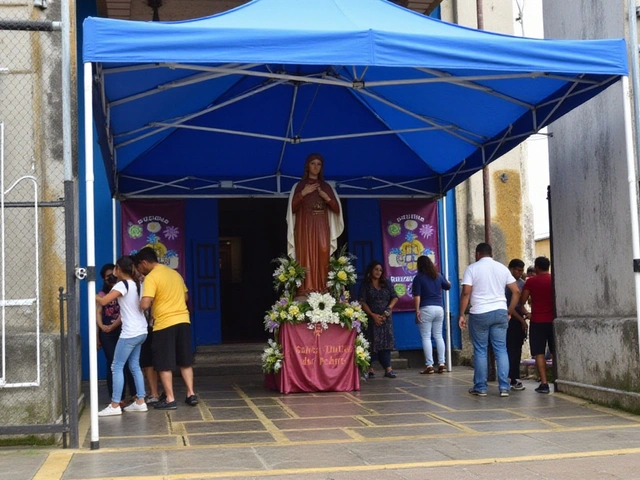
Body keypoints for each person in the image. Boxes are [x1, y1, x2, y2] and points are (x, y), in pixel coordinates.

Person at [134, 247, 198, 409]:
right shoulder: (175, 274)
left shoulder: (152, 277)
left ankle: (170, 399)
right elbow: (185, 297)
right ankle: (191, 394)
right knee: (185, 360)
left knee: (164, 362)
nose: (140, 271)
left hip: (164, 323)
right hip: (183, 320)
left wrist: (139, 304)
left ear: (144, 262)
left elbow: (145, 303)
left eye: (140, 267)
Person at [458, 243, 520, 397]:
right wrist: (509, 311)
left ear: (478, 254)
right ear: (491, 253)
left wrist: (461, 314)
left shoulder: (472, 268)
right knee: (501, 349)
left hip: (480, 313)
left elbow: (466, 293)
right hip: (500, 311)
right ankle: (504, 387)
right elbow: (516, 291)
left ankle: (480, 387)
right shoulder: (502, 268)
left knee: (480, 350)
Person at [96, 256, 149, 416]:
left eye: (115, 268)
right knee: (134, 366)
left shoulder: (122, 284)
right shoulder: (136, 283)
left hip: (130, 332)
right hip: (141, 330)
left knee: (116, 366)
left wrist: (92, 294)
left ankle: (114, 405)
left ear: (118, 269)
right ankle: (140, 401)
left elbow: (104, 301)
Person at [286, 153, 344, 295]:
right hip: (304, 226)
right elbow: (291, 209)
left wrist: (327, 198)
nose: (316, 167)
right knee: (305, 256)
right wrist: (303, 194)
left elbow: (337, 209)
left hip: (322, 226)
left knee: (323, 253)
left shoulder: (326, 186)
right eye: (313, 163)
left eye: (319, 164)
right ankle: (305, 289)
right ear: (307, 166)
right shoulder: (299, 186)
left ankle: (323, 288)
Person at [96, 264, 136, 405]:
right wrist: (101, 329)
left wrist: (113, 325)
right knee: (113, 363)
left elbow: (124, 313)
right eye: (108, 277)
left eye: (113, 275)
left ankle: (134, 394)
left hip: (122, 330)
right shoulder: (102, 293)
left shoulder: (122, 289)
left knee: (127, 363)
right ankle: (117, 398)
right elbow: (99, 312)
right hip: (107, 333)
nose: (111, 279)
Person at [358, 261, 399, 378]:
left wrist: (388, 310)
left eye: (380, 270)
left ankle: (388, 369)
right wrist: (372, 315)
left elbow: (395, 297)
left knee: (385, 343)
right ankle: (370, 368)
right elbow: (362, 301)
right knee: (371, 343)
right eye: (376, 269)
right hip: (371, 318)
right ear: (371, 270)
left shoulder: (386, 283)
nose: (378, 272)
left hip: (385, 318)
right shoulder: (365, 285)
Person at [412, 255, 451, 374]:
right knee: (438, 335)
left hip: (425, 309)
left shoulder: (418, 278)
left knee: (426, 336)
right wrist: (447, 279)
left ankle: (429, 365)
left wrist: (417, 311)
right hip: (439, 309)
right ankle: (442, 363)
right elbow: (448, 286)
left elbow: (417, 296)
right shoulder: (438, 276)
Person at [521, 256, 554, 394]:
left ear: (537, 267)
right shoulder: (554, 279)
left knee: (539, 353)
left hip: (537, 321)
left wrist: (528, 313)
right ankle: (559, 380)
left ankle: (544, 383)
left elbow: (522, 300)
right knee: (555, 351)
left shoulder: (531, 282)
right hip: (553, 320)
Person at [505, 259, 528, 391]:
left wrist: (526, 314)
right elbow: (510, 308)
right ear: (511, 269)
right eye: (518, 270)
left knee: (517, 350)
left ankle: (514, 376)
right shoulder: (507, 285)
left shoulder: (521, 283)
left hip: (518, 320)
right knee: (510, 350)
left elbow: (520, 305)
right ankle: (511, 377)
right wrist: (522, 320)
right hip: (510, 320)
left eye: (521, 271)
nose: (520, 273)